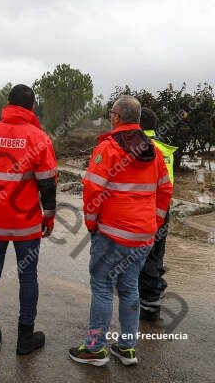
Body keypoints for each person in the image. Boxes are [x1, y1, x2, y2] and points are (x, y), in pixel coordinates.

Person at [69, 96, 173, 367]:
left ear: (116, 117)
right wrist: (156, 222)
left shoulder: (108, 148)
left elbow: (93, 189)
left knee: (102, 287)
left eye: (111, 113)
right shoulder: (155, 153)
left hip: (112, 235)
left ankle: (95, 349)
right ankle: (127, 348)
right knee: (129, 288)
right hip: (143, 236)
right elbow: (165, 190)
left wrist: (92, 224)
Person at [0, 84, 58, 355]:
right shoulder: (39, 138)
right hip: (27, 224)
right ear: (31, 107)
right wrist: (49, 218)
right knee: (28, 277)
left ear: (8, 104)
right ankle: (25, 338)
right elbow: (48, 184)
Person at [138, 107, 177, 322]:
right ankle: (153, 301)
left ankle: (150, 306)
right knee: (157, 255)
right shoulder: (163, 147)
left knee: (146, 258)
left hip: (148, 207)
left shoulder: (144, 148)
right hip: (164, 207)